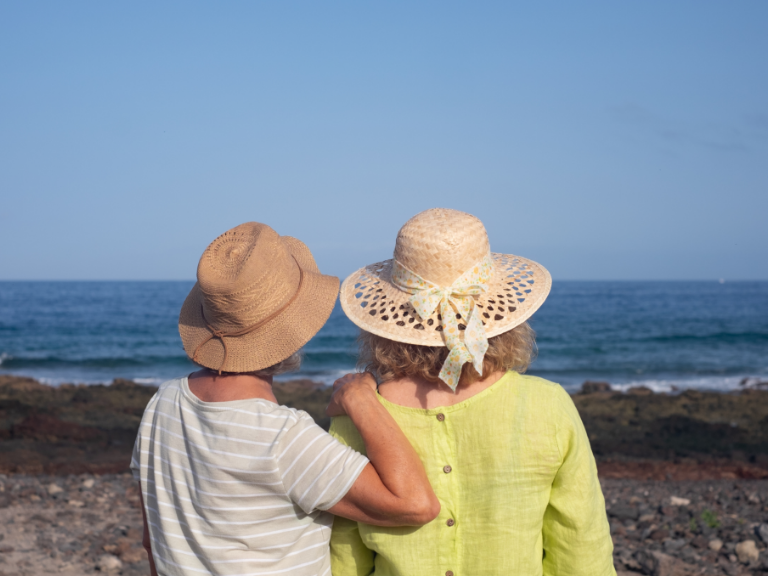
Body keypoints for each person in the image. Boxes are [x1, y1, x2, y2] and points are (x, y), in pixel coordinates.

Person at [130, 222, 439, 576]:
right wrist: (361, 399)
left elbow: (151, 540)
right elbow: (416, 504)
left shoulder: (162, 404)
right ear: (292, 333)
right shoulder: (283, 438)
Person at [330, 208, 616, 576]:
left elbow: (342, 559)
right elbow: (581, 548)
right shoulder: (549, 406)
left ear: (389, 322)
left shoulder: (358, 414)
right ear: (501, 314)